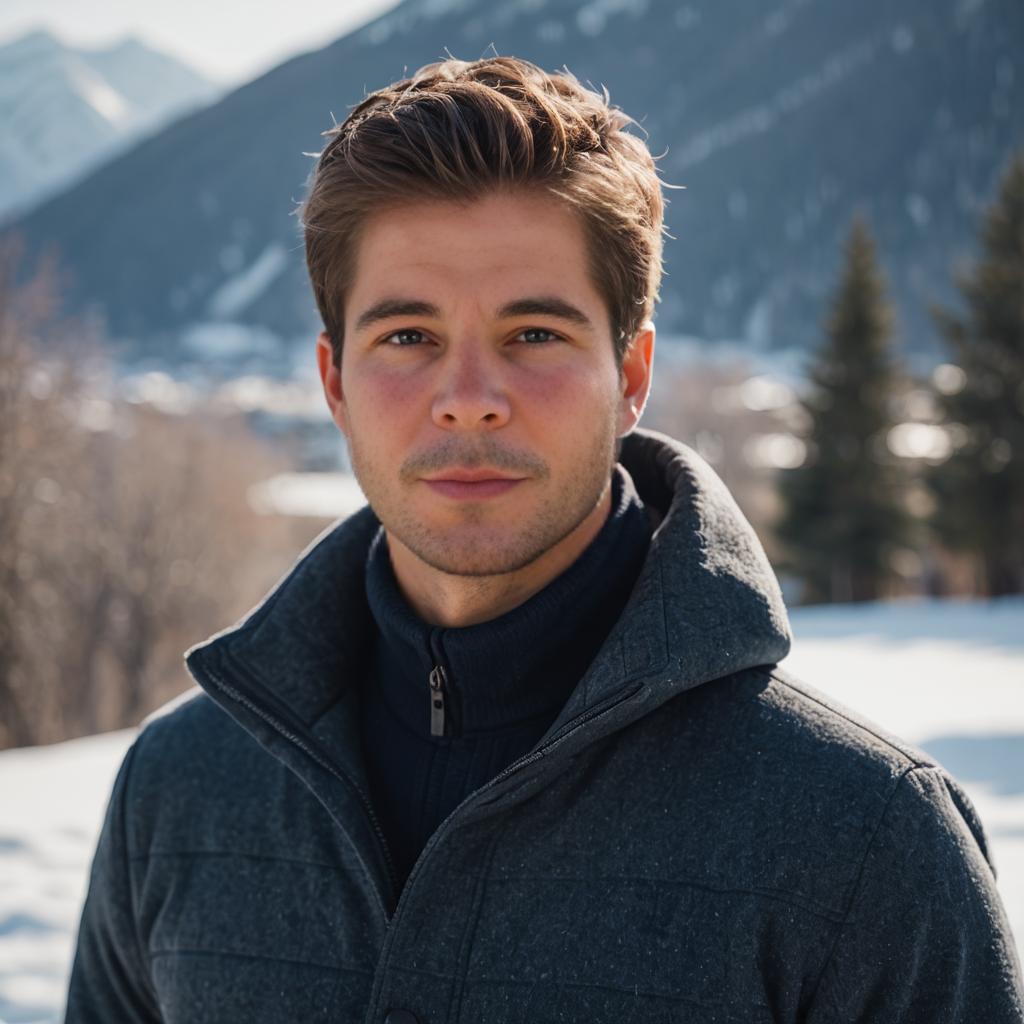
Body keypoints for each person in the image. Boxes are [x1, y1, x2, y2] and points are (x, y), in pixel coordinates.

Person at [65, 55, 1023, 1023]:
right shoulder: (179, 792)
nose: (470, 400)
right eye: (407, 336)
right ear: (334, 383)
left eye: (533, 334)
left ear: (632, 371)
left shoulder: (865, 838)